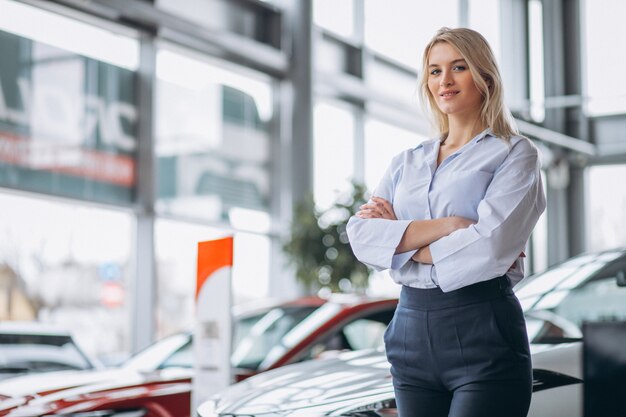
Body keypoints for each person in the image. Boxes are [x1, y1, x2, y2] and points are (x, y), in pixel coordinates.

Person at [346, 27, 546, 417]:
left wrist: (401, 246)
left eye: (459, 67)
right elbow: (362, 237)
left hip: (482, 328)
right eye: (435, 71)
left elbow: (488, 249)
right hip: (409, 333)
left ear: (485, 78)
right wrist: (451, 225)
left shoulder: (515, 154)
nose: (445, 81)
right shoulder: (407, 161)